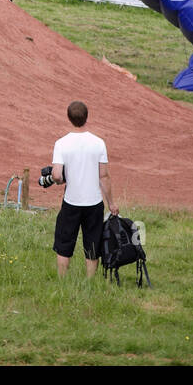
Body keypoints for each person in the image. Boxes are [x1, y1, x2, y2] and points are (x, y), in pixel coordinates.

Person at [50, 100, 117, 278]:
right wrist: (111, 203)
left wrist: (59, 179)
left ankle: (62, 280)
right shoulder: (98, 143)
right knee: (93, 242)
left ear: (68, 118)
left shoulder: (61, 143)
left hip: (71, 201)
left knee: (64, 241)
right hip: (94, 202)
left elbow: (56, 175)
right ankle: (90, 281)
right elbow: (104, 176)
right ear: (87, 117)